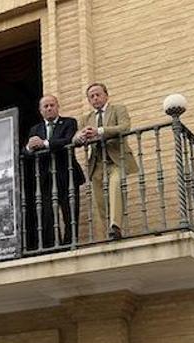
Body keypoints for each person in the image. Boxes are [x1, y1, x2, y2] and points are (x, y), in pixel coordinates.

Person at [74, 83, 138, 240]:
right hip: (96, 164)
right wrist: (82, 136)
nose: (95, 98)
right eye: (91, 97)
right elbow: (74, 139)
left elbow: (124, 127)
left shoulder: (118, 109)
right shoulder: (85, 118)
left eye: (98, 95)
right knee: (99, 202)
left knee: (115, 187)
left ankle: (115, 226)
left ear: (106, 95)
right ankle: (107, 233)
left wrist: (100, 131)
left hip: (116, 160)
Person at [24, 95, 86, 248]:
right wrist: (29, 147)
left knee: (70, 212)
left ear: (57, 107)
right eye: (45, 106)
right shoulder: (35, 129)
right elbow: (25, 152)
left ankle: (70, 243)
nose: (49, 108)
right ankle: (53, 246)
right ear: (40, 111)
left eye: (52, 105)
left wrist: (44, 143)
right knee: (48, 215)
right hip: (46, 178)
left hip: (67, 175)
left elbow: (67, 140)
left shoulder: (69, 122)